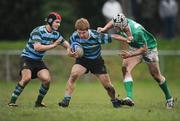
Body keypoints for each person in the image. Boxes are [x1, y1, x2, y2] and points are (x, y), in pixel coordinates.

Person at [97, 13, 174, 109]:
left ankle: (169, 98)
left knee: (156, 75)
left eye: (117, 26)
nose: (115, 27)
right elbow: (112, 22)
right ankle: (129, 98)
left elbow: (143, 49)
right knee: (125, 68)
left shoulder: (137, 32)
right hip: (134, 47)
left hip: (149, 49)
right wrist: (104, 29)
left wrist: (130, 54)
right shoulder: (121, 21)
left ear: (122, 25)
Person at [58, 18, 128, 108]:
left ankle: (115, 100)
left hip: (96, 62)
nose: (81, 35)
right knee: (74, 74)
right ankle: (66, 100)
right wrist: (70, 53)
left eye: (83, 32)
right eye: (79, 32)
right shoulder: (74, 36)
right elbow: (70, 49)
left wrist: (127, 39)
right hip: (82, 61)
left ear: (88, 30)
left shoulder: (96, 35)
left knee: (108, 86)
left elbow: (113, 37)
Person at [8, 12, 72, 107]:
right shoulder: (37, 31)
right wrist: (53, 45)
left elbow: (65, 43)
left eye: (59, 22)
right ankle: (12, 102)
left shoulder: (55, 34)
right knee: (26, 78)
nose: (59, 24)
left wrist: (70, 49)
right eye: (57, 22)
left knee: (47, 80)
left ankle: (38, 103)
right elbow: (37, 48)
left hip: (38, 60)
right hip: (27, 58)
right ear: (50, 21)